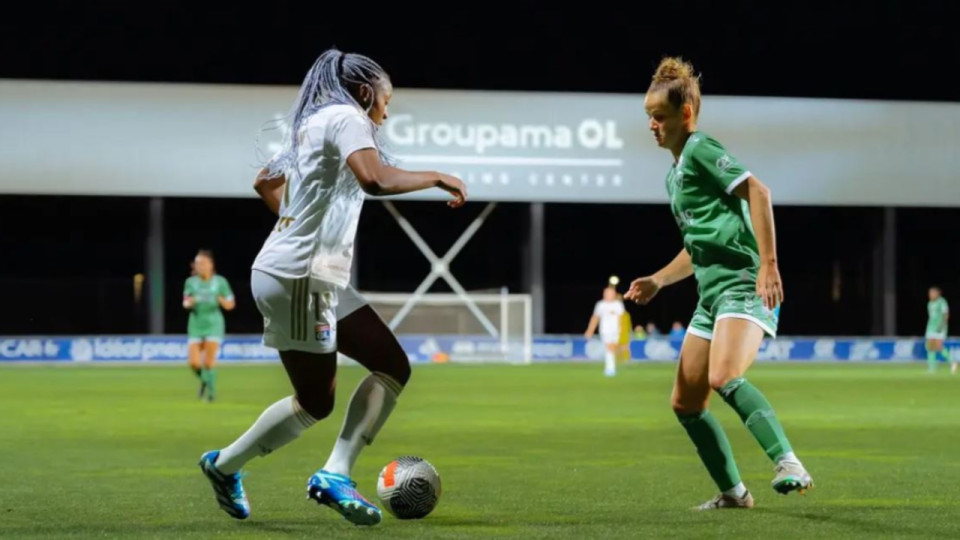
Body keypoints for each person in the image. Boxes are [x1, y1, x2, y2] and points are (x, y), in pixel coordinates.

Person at [197, 48, 467, 526]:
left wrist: (298, 225)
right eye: (387, 99)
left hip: (308, 273)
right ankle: (320, 473)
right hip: (301, 276)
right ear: (366, 92)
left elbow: (266, 181)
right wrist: (437, 177)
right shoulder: (346, 116)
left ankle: (230, 467)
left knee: (390, 365)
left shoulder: (316, 121)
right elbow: (375, 180)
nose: (388, 111)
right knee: (317, 401)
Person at [624, 57, 812, 510]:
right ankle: (733, 492)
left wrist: (769, 265)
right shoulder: (675, 175)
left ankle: (788, 462)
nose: (652, 125)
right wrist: (658, 281)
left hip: (744, 285)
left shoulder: (701, 148)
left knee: (725, 375)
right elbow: (698, 247)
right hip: (711, 297)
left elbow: (759, 192)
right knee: (685, 403)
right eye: (649, 117)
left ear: (685, 114)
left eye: (660, 117)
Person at [183, 250, 235, 401]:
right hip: (195, 324)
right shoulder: (190, 282)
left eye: (203, 263)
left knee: (208, 362)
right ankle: (206, 381)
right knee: (193, 363)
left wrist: (222, 301)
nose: (200, 266)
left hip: (214, 324)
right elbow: (185, 301)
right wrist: (189, 303)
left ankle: (211, 395)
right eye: (198, 263)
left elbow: (230, 304)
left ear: (211, 265)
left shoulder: (220, 282)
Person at [585, 285, 625, 376]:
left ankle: (611, 367)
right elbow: (595, 318)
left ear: (613, 294)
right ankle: (610, 369)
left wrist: (623, 331)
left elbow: (622, 319)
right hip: (605, 331)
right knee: (609, 348)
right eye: (606, 293)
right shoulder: (600, 305)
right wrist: (590, 330)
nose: (607, 295)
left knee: (613, 349)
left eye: (609, 293)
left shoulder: (618, 305)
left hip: (616, 331)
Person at [925, 286, 951, 373]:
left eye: (932, 293)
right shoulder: (929, 303)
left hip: (940, 328)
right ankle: (932, 368)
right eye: (929, 293)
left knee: (939, 347)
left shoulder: (942, 302)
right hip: (931, 328)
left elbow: (946, 314)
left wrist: (942, 326)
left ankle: (952, 362)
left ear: (937, 293)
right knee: (930, 347)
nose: (930, 295)